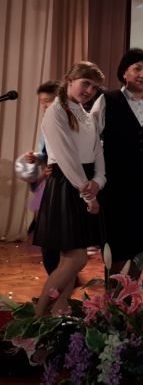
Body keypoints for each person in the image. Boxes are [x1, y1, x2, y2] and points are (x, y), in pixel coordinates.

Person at [33, 62, 105, 316]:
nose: (89, 90)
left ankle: (59, 311)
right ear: (70, 80)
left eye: (94, 87)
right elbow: (66, 158)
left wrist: (99, 180)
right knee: (76, 257)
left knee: (69, 259)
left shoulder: (85, 113)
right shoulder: (56, 112)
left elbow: (97, 150)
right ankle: (38, 317)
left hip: (83, 183)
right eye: (85, 83)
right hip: (67, 185)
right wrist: (88, 195)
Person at [91, 48, 143, 276]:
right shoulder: (107, 99)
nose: (142, 74)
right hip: (116, 185)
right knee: (116, 245)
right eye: (137, 69)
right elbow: (91, 139)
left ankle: (129, 293)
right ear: (124, 72)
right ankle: (112, 295)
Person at [20, 81, 60, 275]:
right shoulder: (46, 124)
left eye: (48, 101)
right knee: (48, 240)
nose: (44, 106)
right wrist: (36, 156)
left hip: (62, 184)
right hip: (49, 183)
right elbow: (46, 154)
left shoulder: (68, 122)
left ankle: (61, 281)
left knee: (56, 240)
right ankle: (58, 281)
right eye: (42, 102)